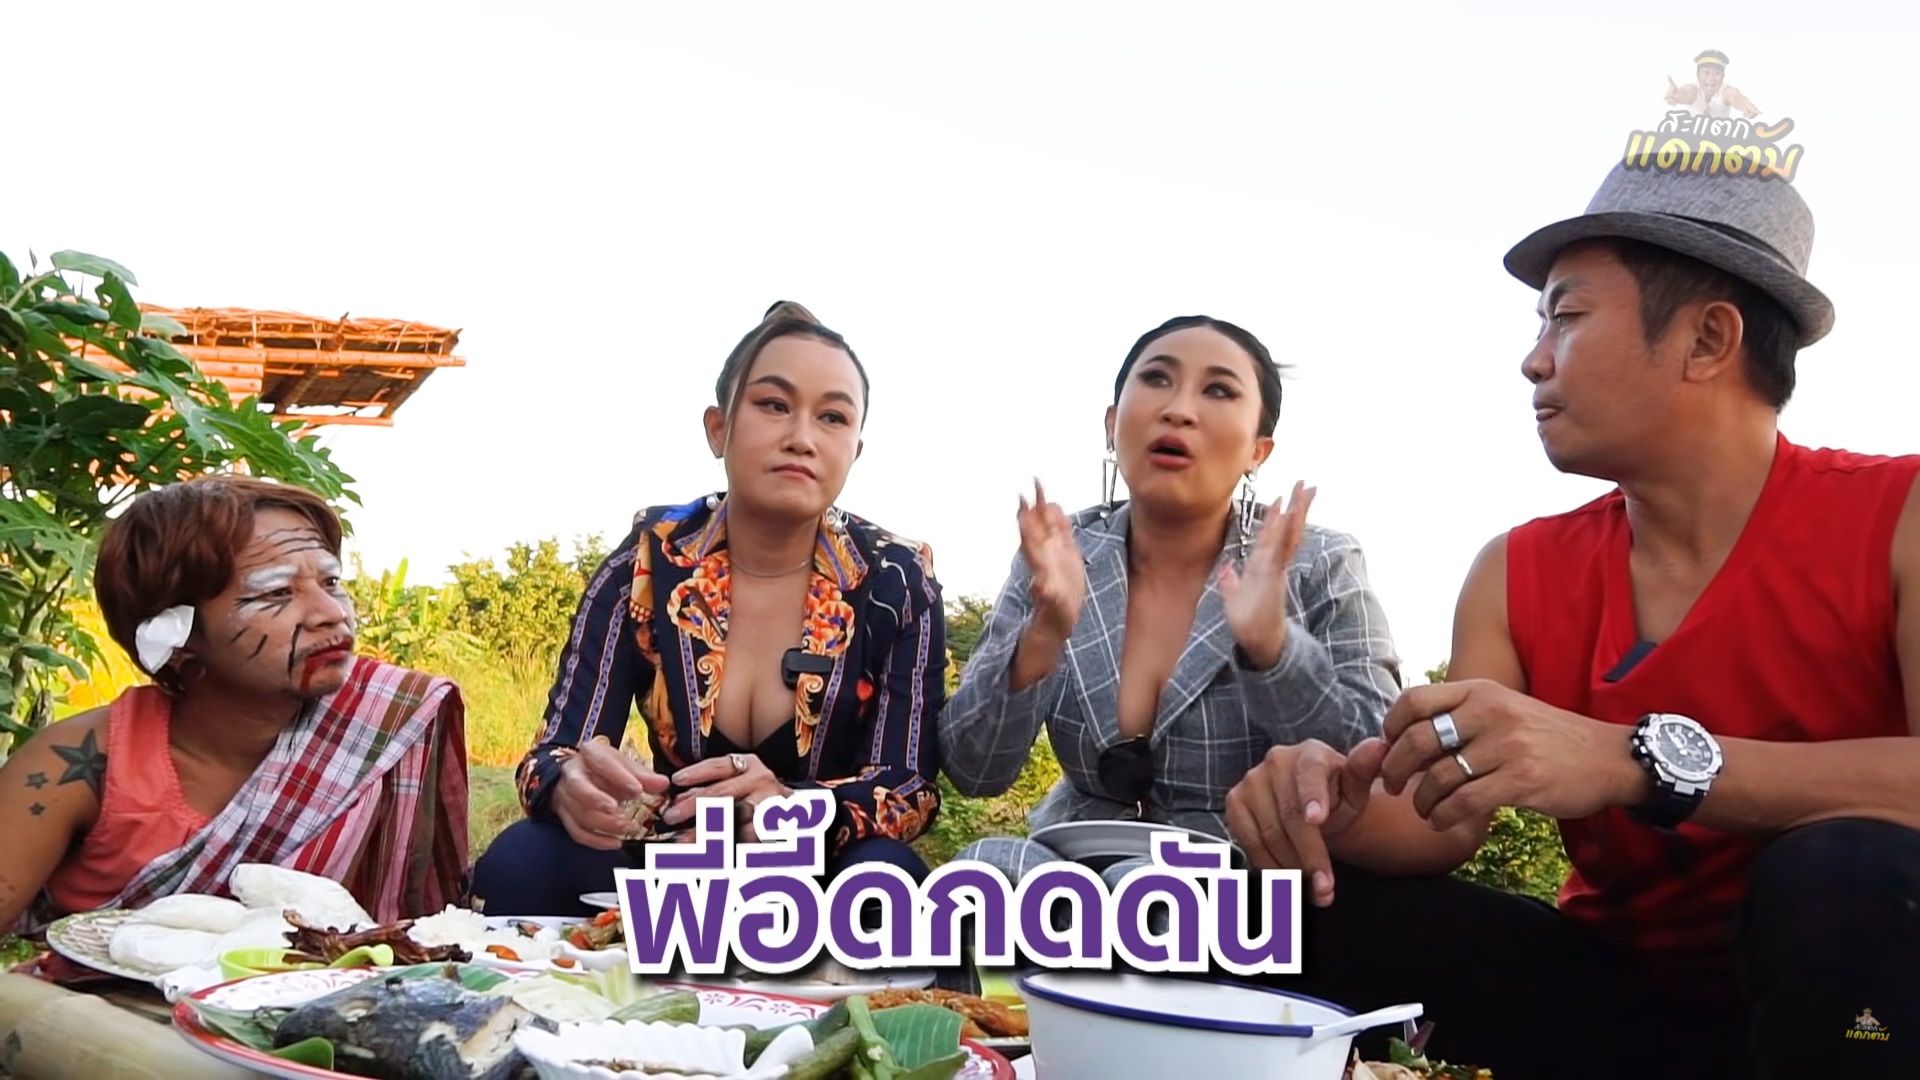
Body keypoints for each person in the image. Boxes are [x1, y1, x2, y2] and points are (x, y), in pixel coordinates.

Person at [1226, 160, 1920, 1079]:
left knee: (1843, 873)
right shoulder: (1514, 569)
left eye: (1568, 315)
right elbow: (1441, 819)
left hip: (1864, 1004)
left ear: (1708, 339)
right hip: (1619, 1007)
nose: (1535, 359)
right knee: (1276, 907)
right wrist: (1331, 806)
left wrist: (1631, 759)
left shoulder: (1898, 514)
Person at [471, 301, 947, 918]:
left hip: (815, 865)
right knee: (520, 862)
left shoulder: (894, 580)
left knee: (889, 878)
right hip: (670, 854)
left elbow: (908, 784)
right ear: (718, 428)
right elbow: (556, 749)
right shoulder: (645, 563)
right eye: (773, 405)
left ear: (855, 450)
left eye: (832, 417)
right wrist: (571, 787)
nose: (801, 438)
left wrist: (795, 811)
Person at [940, 314, 1403, 896]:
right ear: (1112, 424)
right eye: (1157, 379)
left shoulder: (1318, 562)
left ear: (1258, 450)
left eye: (1219, 390)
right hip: (1074, 862)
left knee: (1146, 894)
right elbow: (975, 770)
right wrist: (1043, 635)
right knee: (986, 870)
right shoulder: (1059, 551)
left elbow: (1375, 764)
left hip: (1246, 875)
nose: (1179, 409)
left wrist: (1274, 648)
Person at [0, 475, 471, 939]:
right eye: (277, 593)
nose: (332, 613)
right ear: (174, 634)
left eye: (331, 582)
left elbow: (416, 935)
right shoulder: (82, 762)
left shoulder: (382, 723)